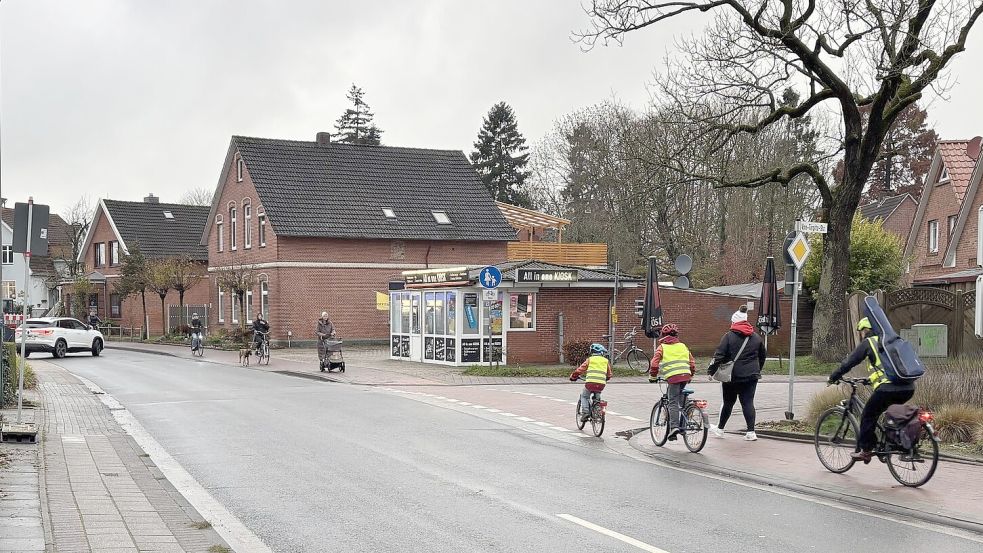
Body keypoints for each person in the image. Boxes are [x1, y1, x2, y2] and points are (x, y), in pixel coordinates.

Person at [827, 317, 916, 463]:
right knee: (892, 414)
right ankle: (897, 444)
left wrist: (834, 376)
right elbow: (888, 368)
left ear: (866, 330)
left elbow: (850, 362)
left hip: (888, 389)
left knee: (868, 415)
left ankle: (866, 450)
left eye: (861, 331)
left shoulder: (870, 342)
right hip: (908, 387)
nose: (861, 335)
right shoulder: (892, 341)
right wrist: (871, 380)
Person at [707, 309, 767, 441]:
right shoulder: (756, 337)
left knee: (728, 402)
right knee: (748, 402)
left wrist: (711, 371)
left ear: (734, 322)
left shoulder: (728, 336)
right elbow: (762, 356)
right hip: (752, 376)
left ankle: (720, 429)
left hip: (732, 376)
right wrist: (757, 370)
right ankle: (751, 432)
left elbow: (719, 356)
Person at [649, 324, 696, 440]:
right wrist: (691, 375)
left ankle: (674, 427)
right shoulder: (683, 346)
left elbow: (654, 364)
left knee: (672, 402)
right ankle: (689, 409)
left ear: (663, 335)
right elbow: (692, 362)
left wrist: (653, 376)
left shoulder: (662, 347)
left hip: (673, 377)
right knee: (679, 395)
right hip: (685, 375)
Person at [569, 343, 613, 422]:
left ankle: (585, 412)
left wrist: (573, 376)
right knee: (597, 397)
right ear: (601, 353)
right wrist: (605, 378)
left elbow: (580, 370)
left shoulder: (590, 360)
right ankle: (598, 411)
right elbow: (609, 374)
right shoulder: (605, 361)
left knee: (584, 396)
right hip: (601, 384)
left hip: (590, 383)